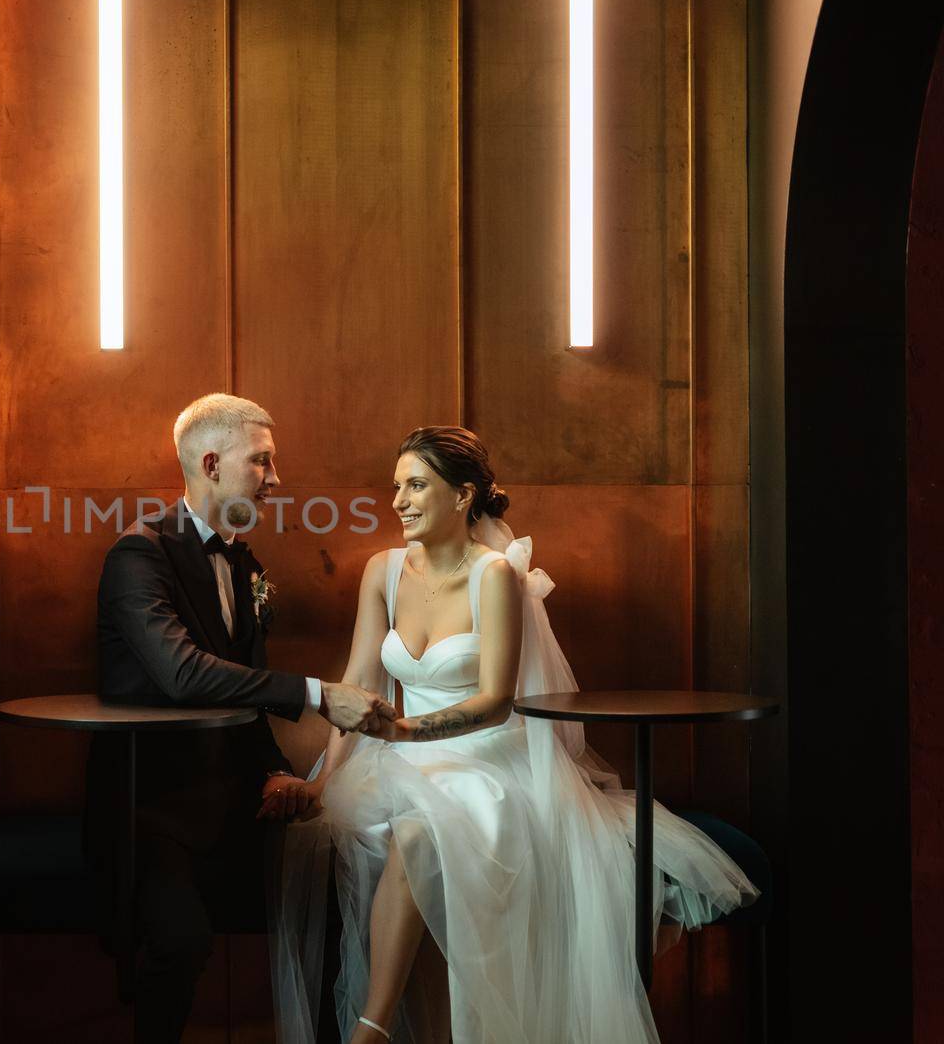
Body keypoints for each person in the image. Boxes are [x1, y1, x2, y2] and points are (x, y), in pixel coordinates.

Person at [271, 426, 758, 1043]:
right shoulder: (382, 571)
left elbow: (497, 701)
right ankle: (394, 1023)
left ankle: (373, 1026)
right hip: (396, 756)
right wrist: (325, 780)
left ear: (462, 496)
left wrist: (401, 729)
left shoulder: (494, 575)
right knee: (375, 827)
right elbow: (355, 685)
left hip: (487, 759)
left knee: (420, 829)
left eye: (416, 485)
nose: (398, 501)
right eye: (396, 487)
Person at [85, 393, 396, 1043]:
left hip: (234, 806)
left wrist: (276, 774)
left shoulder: (247, 565)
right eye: (262, 461)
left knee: (350, 884)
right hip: (151, 809)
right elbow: (184, 674)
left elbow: (244, 697)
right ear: (210, 462)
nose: (277, 479)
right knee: (183, 941)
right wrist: (317, 694)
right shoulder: (138, 556)